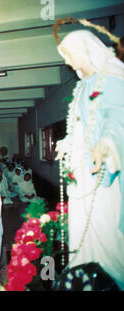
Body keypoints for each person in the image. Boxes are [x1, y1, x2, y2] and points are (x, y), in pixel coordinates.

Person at [55, 29, 124, 289]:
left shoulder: (112, 81)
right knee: (83, 226)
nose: (67, 63)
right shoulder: (82, 87)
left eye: (70, 56)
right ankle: (83, 269)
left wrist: (106, 144)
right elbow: (80, 127)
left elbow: (118, 119)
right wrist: (67, 143)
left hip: (101, 172)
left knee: (104, 228)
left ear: (85, 51)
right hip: (81, 171)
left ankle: (111, 277)